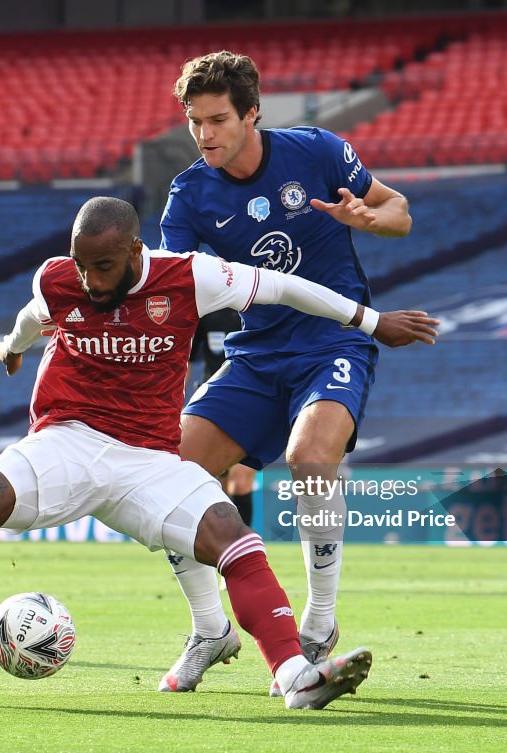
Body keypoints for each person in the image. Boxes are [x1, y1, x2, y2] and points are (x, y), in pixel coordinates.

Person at [0, 196, 439, 710]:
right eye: (82, 264)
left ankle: (294, 677)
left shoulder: (190, 276)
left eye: (104, 266)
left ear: (135, 252)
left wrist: (368, 320)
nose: (91, 280)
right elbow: (32, 315)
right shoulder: (58, 278)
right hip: (66, 441)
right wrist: (12, 348)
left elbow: (282, 285)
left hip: (149, 459)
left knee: (234, 539)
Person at [156, 50, 419, 696]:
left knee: (309, 456)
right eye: (195, 122)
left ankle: (319, 623)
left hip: (334, 341)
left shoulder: (318, 152)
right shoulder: (190, 195)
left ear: (252, 114)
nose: (205, 134)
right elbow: (166, 288)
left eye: (218, 119)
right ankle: (210, 628)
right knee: (166, 475)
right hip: (256, 353)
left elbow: (400, 211)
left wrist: (368, 217)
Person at [188, 308, 256, 527]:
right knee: (215, 482)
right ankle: (221, 543)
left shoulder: (257, 312)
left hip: (251, 402)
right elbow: (186, 361)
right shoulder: (208, 312)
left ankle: (242, 545)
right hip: (213, 404)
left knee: (241, 481)